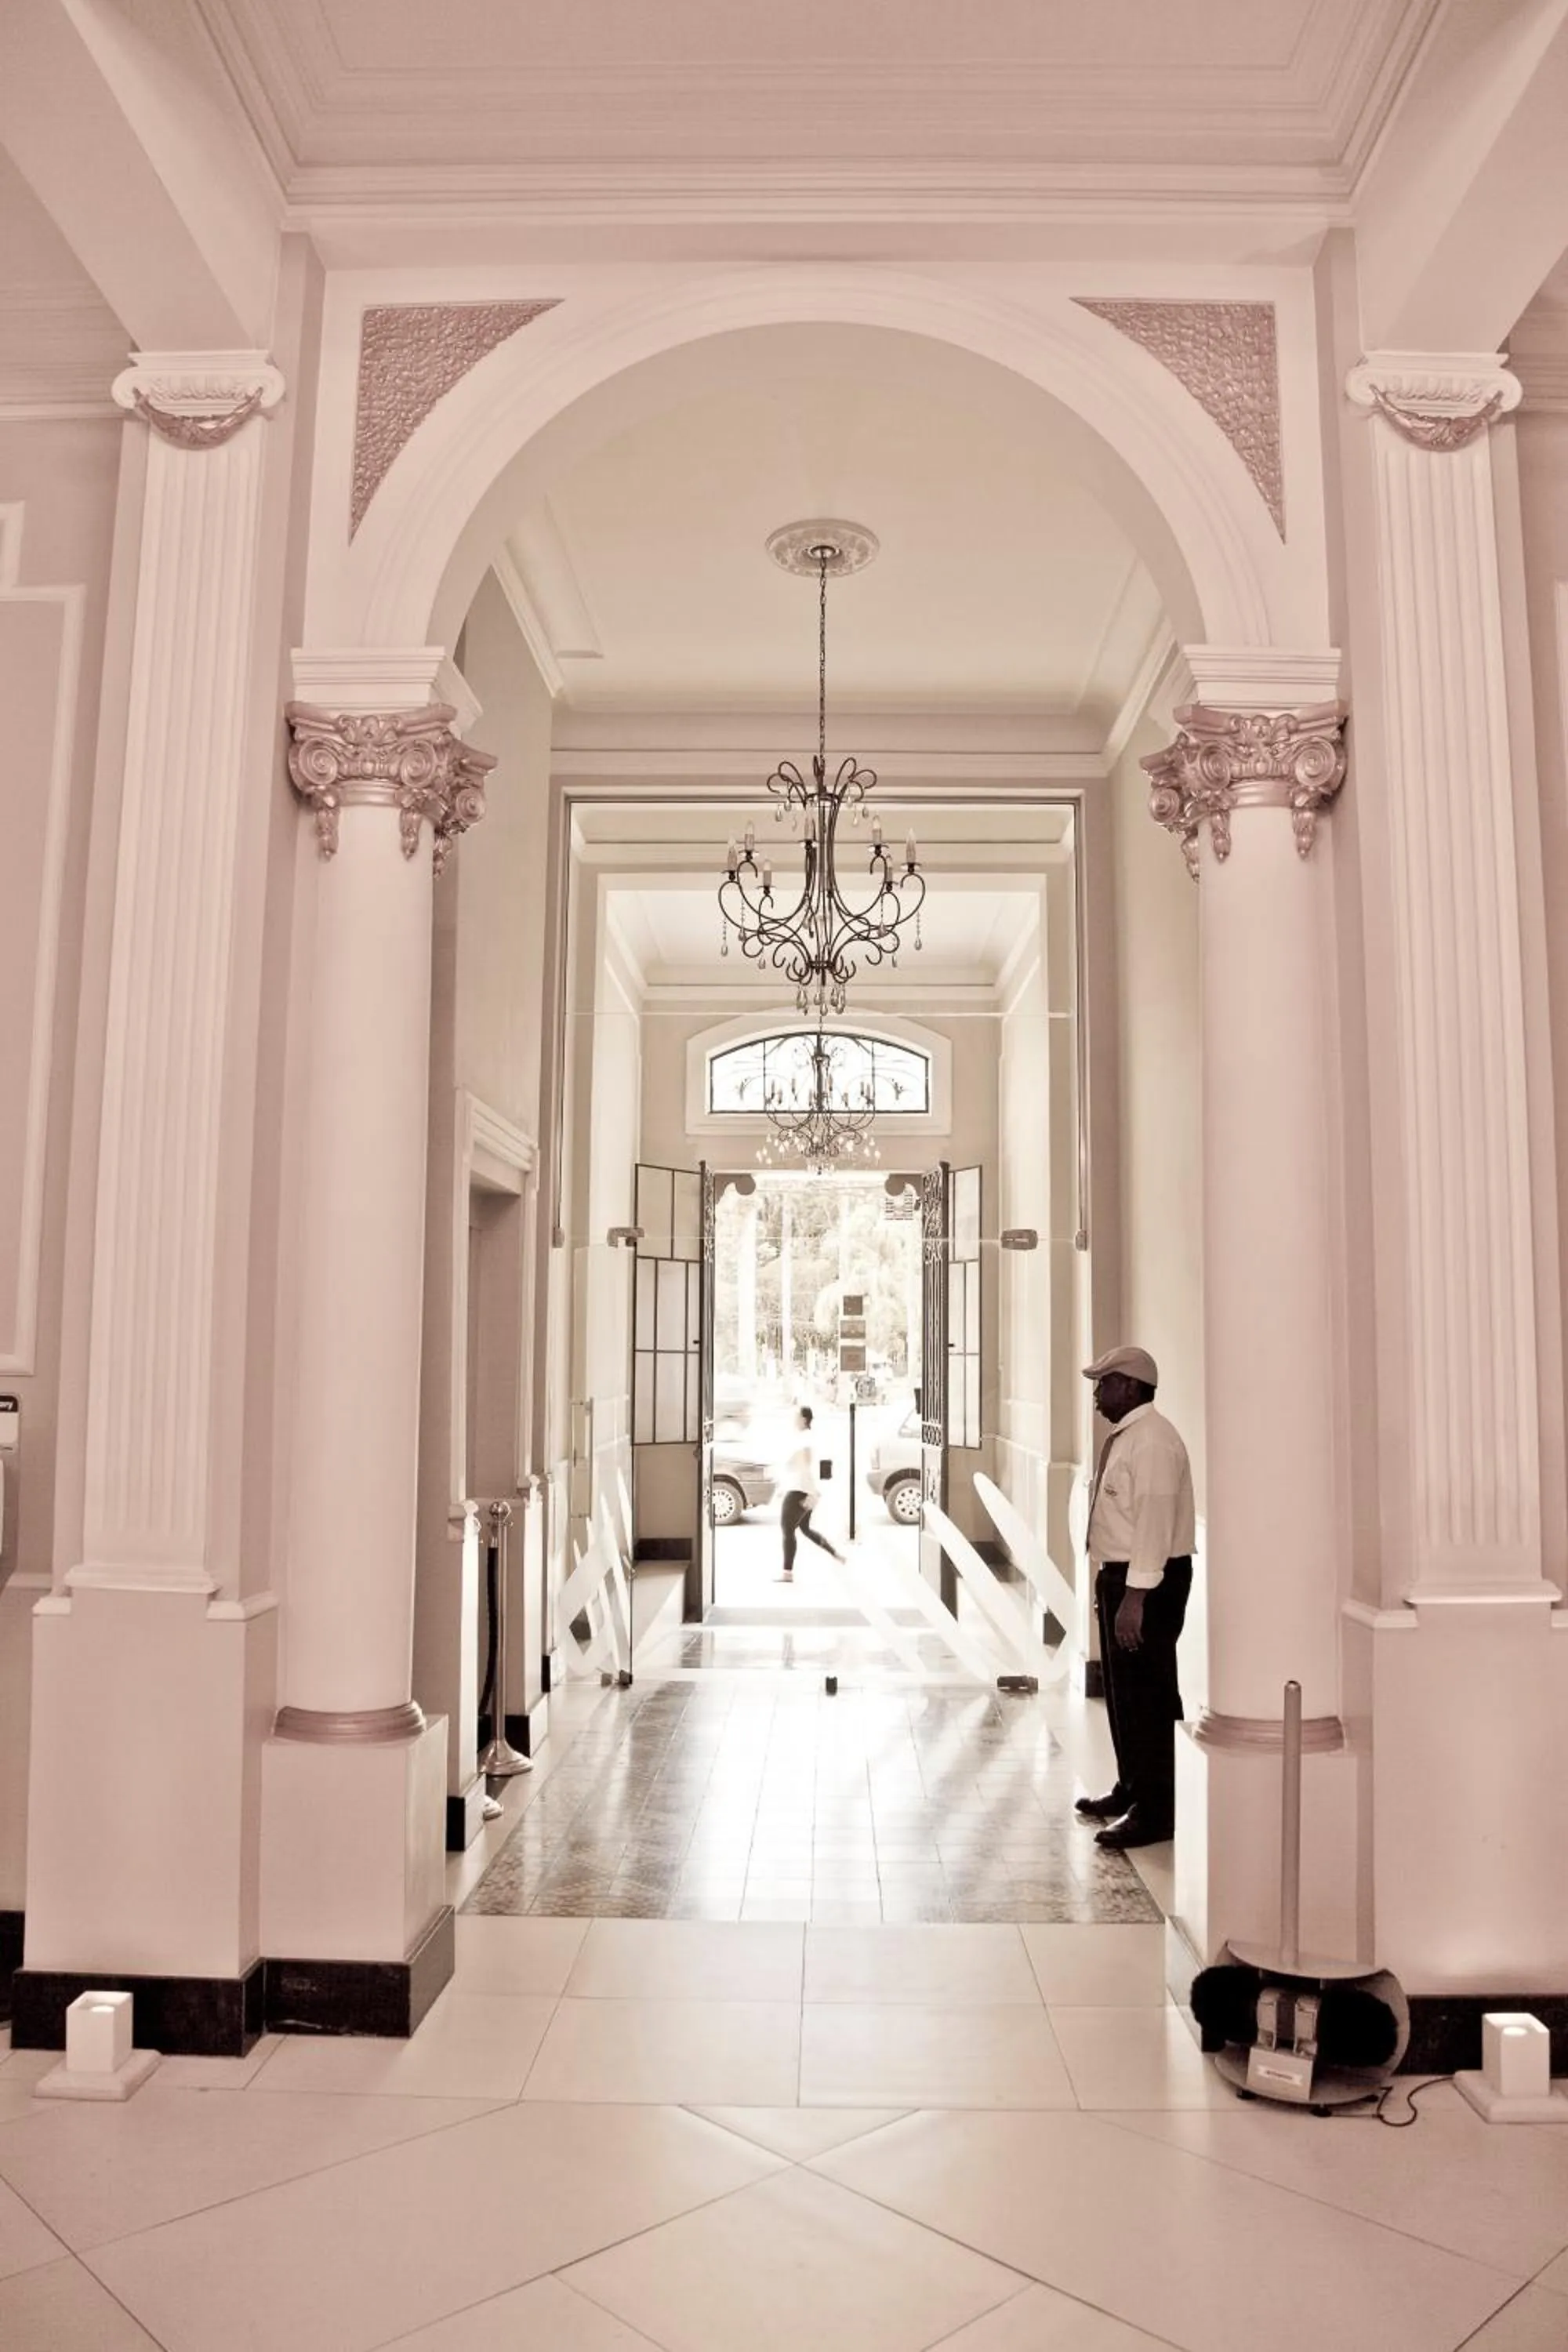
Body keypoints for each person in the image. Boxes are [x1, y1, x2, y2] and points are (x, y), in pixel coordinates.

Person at [1073, 1345, 1195, 1849]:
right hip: (1124, 1577)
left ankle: (1157, 1810)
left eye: (1103, 1384)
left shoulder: (1152, 1444)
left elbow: (1153, 1526)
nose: (1098, 1395)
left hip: (1147, 1581)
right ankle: (1132, 1788)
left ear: (1129, 1385)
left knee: (1148, 1694)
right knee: (1125, 1694)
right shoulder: (1129, 1438)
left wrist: (1135, 1597)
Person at [777, 1404, 844, 1581]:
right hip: (809, 1490)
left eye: (796, 1416)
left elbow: (806, 1460)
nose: (793, 1419)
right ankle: (835, 1553)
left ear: (804, 1419)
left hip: (800, 1490)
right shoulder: (808, 1437)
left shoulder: (805, 1438)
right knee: (804, 1529)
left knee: (787, 1529)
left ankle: (787, 1573)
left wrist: (793, 1462)